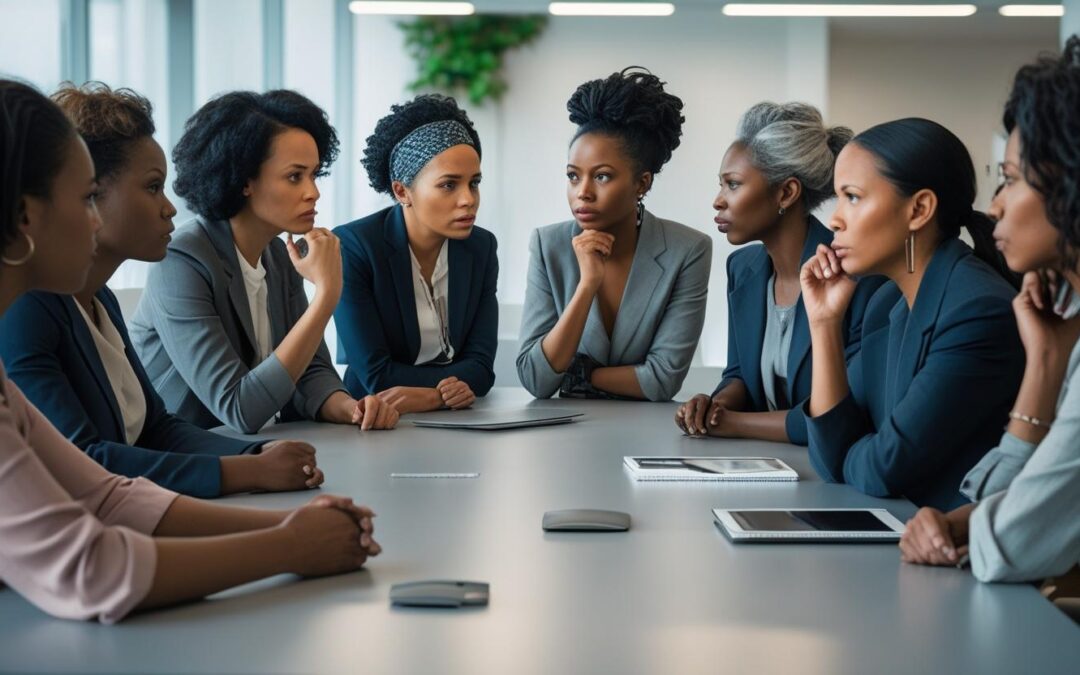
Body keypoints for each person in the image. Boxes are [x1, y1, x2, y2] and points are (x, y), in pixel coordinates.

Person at [0, 79, 379, 624]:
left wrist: (292, 521)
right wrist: (287, 546)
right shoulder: (42, 311)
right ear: (23, 219)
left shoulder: (95, 300)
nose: (93, 219)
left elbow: (108, 495)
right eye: (84, 199)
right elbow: (92, 569)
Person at [0, 82, 322, 498]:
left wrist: (259, 454)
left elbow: (156, 428)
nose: (170, 208)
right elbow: (81, 460)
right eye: (153, 187)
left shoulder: (101, 299)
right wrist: (245, 472)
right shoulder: (28, 310)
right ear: (91, 193)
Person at [899, 37, 1080, 587]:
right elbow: (1007, 513)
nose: (995, 203)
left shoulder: (974, 299)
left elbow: (1011, 545)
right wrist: (1046, 365)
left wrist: (962, 527)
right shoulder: (1064, 320)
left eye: (1012, 178)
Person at [129, 90, 398, 434]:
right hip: (180, 458)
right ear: (244, 181)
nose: (313, 191)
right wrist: (327, 295)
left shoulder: (278, 254)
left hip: (250, 452)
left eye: (315, 174)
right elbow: (239, 408)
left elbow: (310, 372)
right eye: (294, 176)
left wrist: (351, 408)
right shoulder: (181, 259)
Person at [800, 117, 1025, 510]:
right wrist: (824, 323)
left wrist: (856, 446)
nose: (834, 219)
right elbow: (829, 456)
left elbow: (884, 469)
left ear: (919, 209)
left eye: (852, 196)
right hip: (899, 538)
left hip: (956, 558)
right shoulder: (885, 302)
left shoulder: (978, 312)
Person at [674, 102, 884, 443]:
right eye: (721, 184)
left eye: (733, 184)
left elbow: (844, 413)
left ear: (786, 192)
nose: (718, 200)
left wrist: (732, 423)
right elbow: (739, 373)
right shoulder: (742, 268)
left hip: (832, 475)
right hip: (760, 466)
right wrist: (713, 405)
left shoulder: (857, 278)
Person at [517, 68, 711, 401]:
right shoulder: (548, 246)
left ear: (642, 183)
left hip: (646, 434)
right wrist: (586, 286)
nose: (583, 193)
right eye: (573, 176)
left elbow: (662, 379)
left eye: (603, 177)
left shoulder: (687, 250)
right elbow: (535, 378)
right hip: (563, 435)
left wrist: (577, 374)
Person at [334, 94, 497, 414]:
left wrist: (434, 397)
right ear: (401, 191)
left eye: (474, 183)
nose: (468, 199)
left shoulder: (481, 247)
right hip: (370, 416)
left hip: (458, 419)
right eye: (449, 185)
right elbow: (375, 375)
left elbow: (481, 368)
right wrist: (452, 387)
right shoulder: (355, 246)